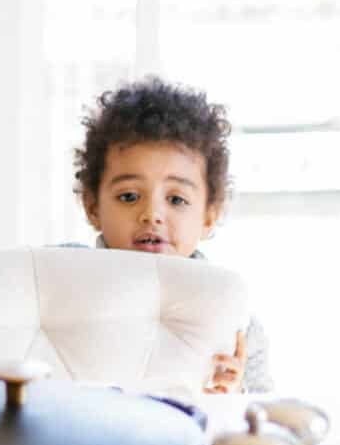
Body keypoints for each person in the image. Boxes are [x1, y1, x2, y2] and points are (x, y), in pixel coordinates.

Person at [69, 76, 272, 394]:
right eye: (129, 197)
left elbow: (263, 416)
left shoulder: (233, 318)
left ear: (209, 216)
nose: (152, 214)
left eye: (176, 200)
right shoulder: (59, 278)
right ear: (92, 206)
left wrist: (234, 393)